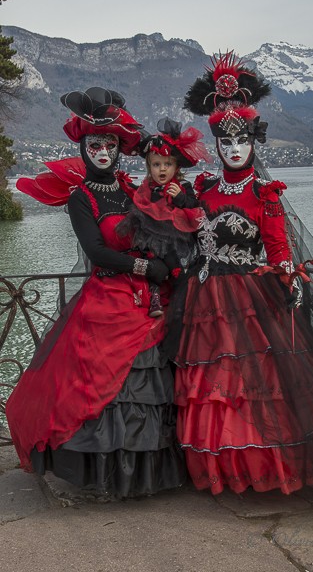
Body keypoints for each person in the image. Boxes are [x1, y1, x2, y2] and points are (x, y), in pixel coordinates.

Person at [168, 52, 313, 504]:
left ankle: (265, 469)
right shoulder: (206, 188)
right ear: (217, 145)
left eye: (241, 142)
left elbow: (277, 247)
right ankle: (224, 470)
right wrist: (173, 201)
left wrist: (289, 275)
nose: (233, 149)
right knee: (216, 390)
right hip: (206, 302)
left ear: (254, 143)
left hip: (251, 300)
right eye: (226, 144)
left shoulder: (263, 193)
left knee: (258, 387)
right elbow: (190, 230)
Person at [6, 87, 186, 498]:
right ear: (83, 147)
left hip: (148, 299)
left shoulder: (129, 191)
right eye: (94, 144)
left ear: (119, 149)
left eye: (109, 144)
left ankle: (147, 473)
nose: (103, 151)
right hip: (107, 298)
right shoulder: (80, 198)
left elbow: (158, 227)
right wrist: (146, 266)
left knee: (150, 384)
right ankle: (105, 474)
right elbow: (97, 252)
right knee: (103, 386)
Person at [117, 116, 211, 318]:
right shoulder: (147, 188)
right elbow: (140, 206)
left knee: (176, 268)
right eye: (156, 164)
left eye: (167, 164)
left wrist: (180, 198)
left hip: (176, 239)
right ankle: (156, 296)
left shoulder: (182, 187)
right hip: (151, 239)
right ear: (149, 167)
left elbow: (194, 208)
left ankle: (184, 299)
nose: (162, 169)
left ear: (176, 167)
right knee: (153, 262)